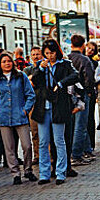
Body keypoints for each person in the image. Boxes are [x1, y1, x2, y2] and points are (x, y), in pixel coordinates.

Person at [30, 39, 79, 185]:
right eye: (46, 53)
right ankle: (44, 173)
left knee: (59, 140)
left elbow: (75, 76)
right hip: (43, 107)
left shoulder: (64, 64)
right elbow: (35, 81)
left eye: (52, 53)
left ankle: (60, 172)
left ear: (57, 52)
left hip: (58, 106)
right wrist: (41, 69)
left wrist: (61, 83)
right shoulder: (40, 66)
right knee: (43, 141)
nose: (49, 56)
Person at [0, 51, 37, 185]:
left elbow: (30, 94)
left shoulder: (21, 76)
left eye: (9, 61)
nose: (7, 64)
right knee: (9, 148)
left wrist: (25, 109)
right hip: (3, 117)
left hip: (20, 115)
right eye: (3, 62)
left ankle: (28, 170)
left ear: (13, 62)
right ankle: (15, 173)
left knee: (27, 145)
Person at [68, 34, 96, 166]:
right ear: (83, 45)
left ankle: (87, 149)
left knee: (74, 124)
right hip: (81, 93)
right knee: (81, 124)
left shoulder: (66, 59)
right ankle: (76, 154)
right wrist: (90, 92)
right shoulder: (84, 60)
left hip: (69, 93)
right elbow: (89, 78)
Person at [23, 46, 43, 165]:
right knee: (34, 132)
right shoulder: (27, 70)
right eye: (33, 54)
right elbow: (28, 84)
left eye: (38, 54)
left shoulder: (45, 68)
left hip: (43, 102)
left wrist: (32, 80)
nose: (36, 56)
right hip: (32, 105)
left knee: (45, 132)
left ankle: (49, 155)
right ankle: (37, 155)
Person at [85, 40, 99, 149]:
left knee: (90, 118)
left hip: (90, 93)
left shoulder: (94, 63)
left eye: (92, 50)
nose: (90, 51)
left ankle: (91, 144)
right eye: (89, 48)